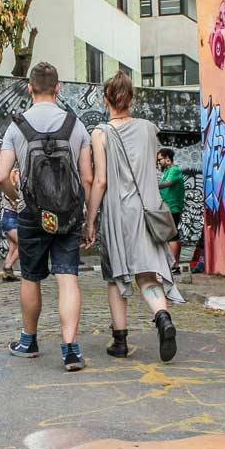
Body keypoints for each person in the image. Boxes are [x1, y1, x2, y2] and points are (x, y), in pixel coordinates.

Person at [0, 62, 93, 372]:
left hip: (31, 214)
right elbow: (87, 178)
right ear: (58, 88)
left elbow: (0, 176)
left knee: (31, 276)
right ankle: (71, 350)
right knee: (68, 277)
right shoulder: (76, 125)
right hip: (68, 214)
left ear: (29, 88)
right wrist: (89, 218)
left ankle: (28, 341)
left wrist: (18, 197)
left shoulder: (16, 126)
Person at [84, 71, 184, 363]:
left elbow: (101, 181)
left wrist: (90, 220)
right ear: (132, 98)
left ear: (106, 99)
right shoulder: (150, 129)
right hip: (148, 209)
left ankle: (120, 341)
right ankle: (162, 317)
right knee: (147, 273)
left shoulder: (100, 133)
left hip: (119, 212)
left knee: (117, 276)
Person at [157, 148, 186, 271]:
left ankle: (174, 266)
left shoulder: (175, 170)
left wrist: (152, 185)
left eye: (160, 160)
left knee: (173, 236)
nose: (159, 162)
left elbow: (168, 183)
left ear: (167, 158)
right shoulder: (167, 171)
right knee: (168, 236)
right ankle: (171, 264)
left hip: (173, 208)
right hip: (166, 207)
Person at [0, 168, 22, 282]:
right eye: (17, 175)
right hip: (9, 218)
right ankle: (7, 267)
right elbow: (16, 205)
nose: (19, 177)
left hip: (11, 218)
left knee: (13, 247)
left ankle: (7, 275)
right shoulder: (10, 190)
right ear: (13, 176)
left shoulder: (15, 189)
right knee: (23, 244)